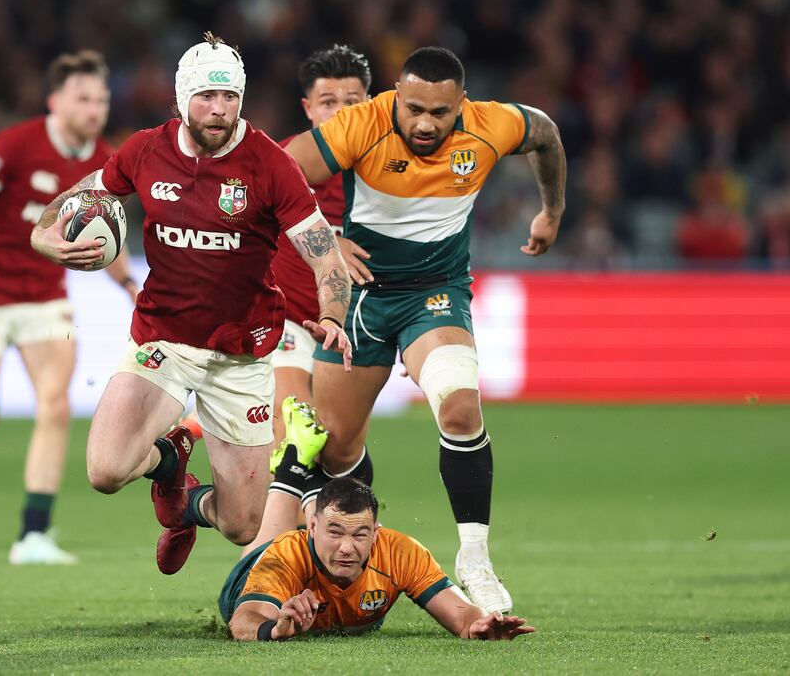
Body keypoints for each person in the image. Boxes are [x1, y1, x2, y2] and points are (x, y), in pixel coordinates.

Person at [30, 33, 353, 575]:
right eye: (207, 96)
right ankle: (168, 461)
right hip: (162, 339)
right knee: (105, 471)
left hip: (241, 355)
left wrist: (331, 318)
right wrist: (45, 238)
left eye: (230, 98)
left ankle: (187, 506)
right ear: (182, 97)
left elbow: (328, 260)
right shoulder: (145, 150)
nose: (219, 110)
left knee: (240, 525)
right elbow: (80, 197)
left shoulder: (270, 165)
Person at [284, 46, 567, 612]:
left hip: (434, 295)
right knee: (336, 448)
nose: (424, 123)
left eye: (439, 112)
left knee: (460, 406)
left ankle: (474, 557)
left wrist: (552, 211)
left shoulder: (492, 125)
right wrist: (325, 239)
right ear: (396, 95)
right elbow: (279, 173)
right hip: (362, 300)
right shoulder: (361, 123)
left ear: (461, 103)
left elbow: (547, 134)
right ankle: (339, 564)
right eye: (413, 108)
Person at [0, 50, 138, 565]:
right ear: (54, 101)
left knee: (56, 405)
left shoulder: (104, 160)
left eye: (101, 100)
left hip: (46, 303)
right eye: (83, 98)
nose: (94, 109)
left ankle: (32, 533)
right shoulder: (14, 145)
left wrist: (127, 284)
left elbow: (108, 236)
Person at [220, 409, 535, 641]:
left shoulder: (398, 551)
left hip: (316, 538)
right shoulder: (285, 555)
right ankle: (292, 464)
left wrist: (477, 623)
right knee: (265, 536)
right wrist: (274, 630)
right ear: (312, 529)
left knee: (331, 509)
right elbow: (244, 621)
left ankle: (307, 467)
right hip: (255, 570)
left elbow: (461, 613)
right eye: (335, 533)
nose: (347, 548)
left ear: (377, 532)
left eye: (360, 534)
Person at [241, 45, 372, 554]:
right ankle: (273, 570)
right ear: (308, 108)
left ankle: (331, 551)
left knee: (339, 446)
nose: (339, 111)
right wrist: (326, 240)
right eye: (327, 101)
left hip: (357, 328)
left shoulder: (387, 164)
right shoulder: (286, 160)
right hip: (289, 320)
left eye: (352, 100)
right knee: (295, 433)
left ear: (373, 103)